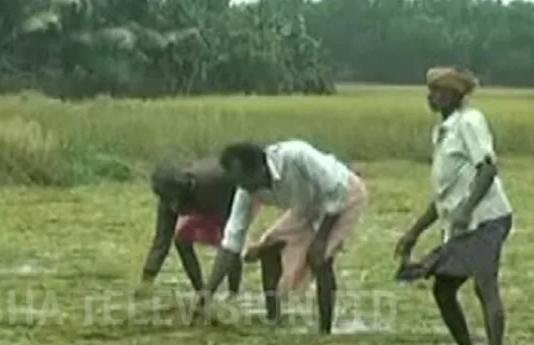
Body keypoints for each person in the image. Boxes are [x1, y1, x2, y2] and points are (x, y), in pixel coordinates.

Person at [394, 66, 514, 345]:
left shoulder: (470, 122)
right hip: (462, 224)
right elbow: (444, 198)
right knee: (444, 291)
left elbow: (487, 169)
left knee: (485, 285)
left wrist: (466, 210)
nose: (430, 97)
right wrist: (413, 233)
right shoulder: (443, 132)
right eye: (429, 90)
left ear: (453, 94)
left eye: (437, 91)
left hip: (487, 218)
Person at [195, 140, 370, 334]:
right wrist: (207, 294)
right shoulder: (246, 189)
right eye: (238, 182)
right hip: (307, 208)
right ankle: (273, 318)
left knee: (319, 259)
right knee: (268, 246)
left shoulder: (297, 156)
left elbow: (336, 190)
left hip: (344, 197)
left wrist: (320, 239)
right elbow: (232, 239)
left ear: (260, 168)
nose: (243, 187)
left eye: (245, 180)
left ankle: (324, 332)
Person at [136, 157, 261, 298]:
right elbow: (162, 240)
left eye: (177, 200)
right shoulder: (167, 199)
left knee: (229, 243)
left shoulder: (214, 181)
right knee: (181, 240)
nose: (174, 205)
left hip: (228, 202)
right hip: (204, 209)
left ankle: (233, 293)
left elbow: (233, 234)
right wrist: (147, 279)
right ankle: (200, 290)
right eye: (170, 201)